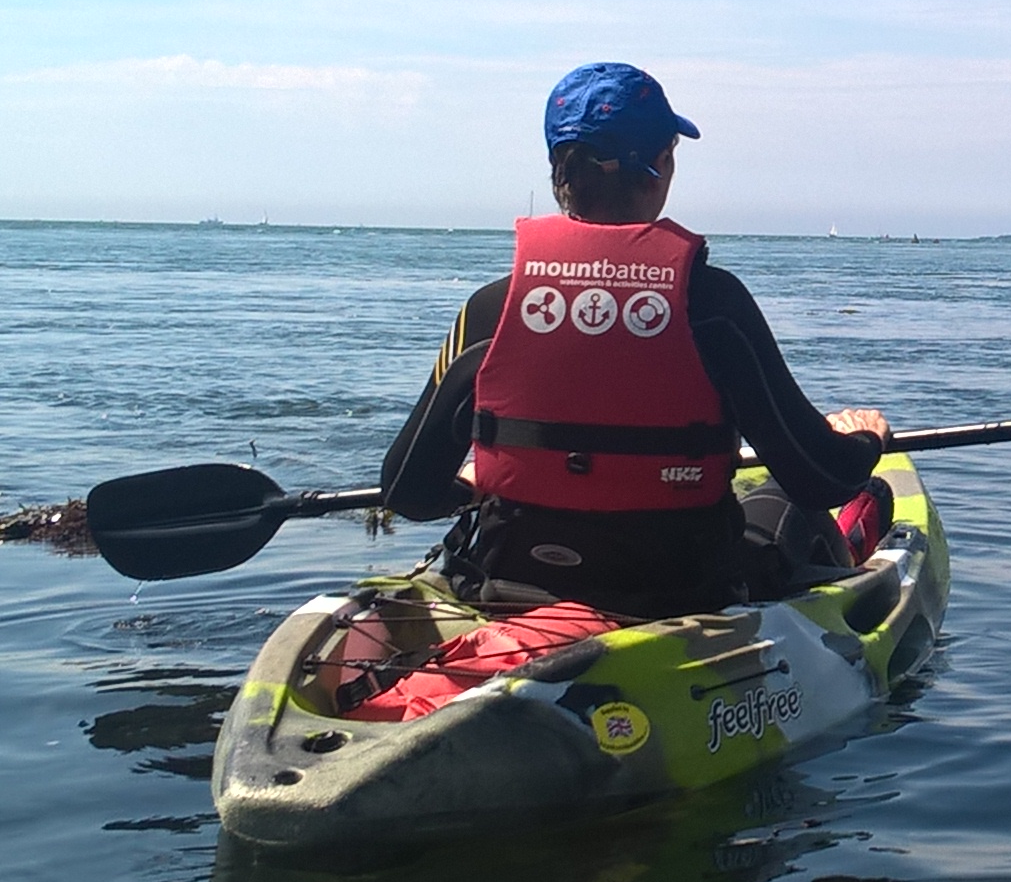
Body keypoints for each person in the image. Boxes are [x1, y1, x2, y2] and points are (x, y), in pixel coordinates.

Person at [380, 62, 892, 619]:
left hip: (511, 582)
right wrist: (865, 442)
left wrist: (470, 489)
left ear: (560, 171)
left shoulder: (490, 310)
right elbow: (817, 478)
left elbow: (407, 489)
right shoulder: (712, 306)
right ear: (660, 166)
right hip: (679, 598)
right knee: (800, 506)